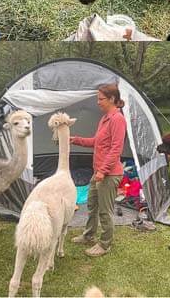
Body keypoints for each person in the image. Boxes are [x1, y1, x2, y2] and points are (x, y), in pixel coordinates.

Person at [68, 83, 128, 257]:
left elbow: (116, 148)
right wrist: (76, 140)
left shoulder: (117, 119)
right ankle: (88, 235)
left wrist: (102, 170)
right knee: (92, 205)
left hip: (109, 174)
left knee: (105, 210)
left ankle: (105, 244)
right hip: (99, 172)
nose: (98, 102)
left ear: (112, 99)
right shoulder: (105, 118)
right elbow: (97, 141)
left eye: (100, 99)